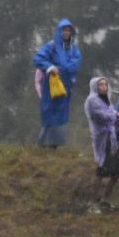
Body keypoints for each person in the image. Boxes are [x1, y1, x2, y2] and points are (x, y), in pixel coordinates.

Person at [33, 18, 82, 147]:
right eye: (64, 30)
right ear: (59, 31)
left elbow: (76, 64)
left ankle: (55, 145)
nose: (66, 33)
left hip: (65, 85)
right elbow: (38, 59)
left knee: (61, 114)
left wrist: (63, 70)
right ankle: (42, 142)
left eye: (68, 30)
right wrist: (50, 67)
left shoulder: (73, 49)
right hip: (51, 84)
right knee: (49, 112)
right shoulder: (51, 46)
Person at [85, 76, 119, 211]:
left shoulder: (106, 100)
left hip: (112, 138)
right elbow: (100, 116)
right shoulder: (92, 100)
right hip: (103, 138)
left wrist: (116, 117)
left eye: (105, 85)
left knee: (118, 169)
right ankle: (91, 202)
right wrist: (116, 116)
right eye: (101, 85)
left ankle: (105, 199)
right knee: (102, 171)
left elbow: (111, 112)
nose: (104, 87)